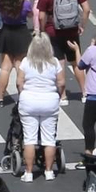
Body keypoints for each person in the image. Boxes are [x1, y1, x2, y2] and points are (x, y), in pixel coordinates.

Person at [17, 33, 66, 180]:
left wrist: (23, 95)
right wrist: (58, 94)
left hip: (29, 101)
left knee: (29, 139)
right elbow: (61, 82)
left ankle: (29, 172)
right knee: (49, 139)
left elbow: (20, 82)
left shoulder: (26, 62)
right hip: (49, 101)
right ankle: (49, 171)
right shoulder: (54, 62)